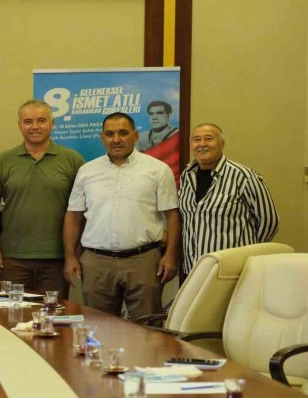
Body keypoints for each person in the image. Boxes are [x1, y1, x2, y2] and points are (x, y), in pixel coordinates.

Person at [63, 112, 179, 320]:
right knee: (98, 328)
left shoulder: (158, 170)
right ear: (102, 138)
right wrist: (70, 256)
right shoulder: (87, 171)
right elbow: (73, 215)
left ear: (135, 135)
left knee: (147, 329)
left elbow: (172, 215)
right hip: (97, 263)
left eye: (123, 133)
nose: (116, 139)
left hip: (143, 261)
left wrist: (170, 255)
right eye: (109, 134)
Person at [0, 100, 84, 295]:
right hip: (12, 259)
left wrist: (73, 254)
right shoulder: (3, 160)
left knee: (52, 312)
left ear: (52, 124)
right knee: (11, 311)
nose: (35, 126)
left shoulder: (72, 160)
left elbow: (81, 211)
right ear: (19, 125)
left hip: (57, 258)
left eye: (41, 120)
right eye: (28, 121)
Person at [178, 123, 279, 281]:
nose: (202, 144)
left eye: (208, 139)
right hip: (193, 269)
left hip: (232, 271)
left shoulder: (244, 176)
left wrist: (245, 252)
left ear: (222, 144)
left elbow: (269, 221)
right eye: (196, 139)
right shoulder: (186, 175)